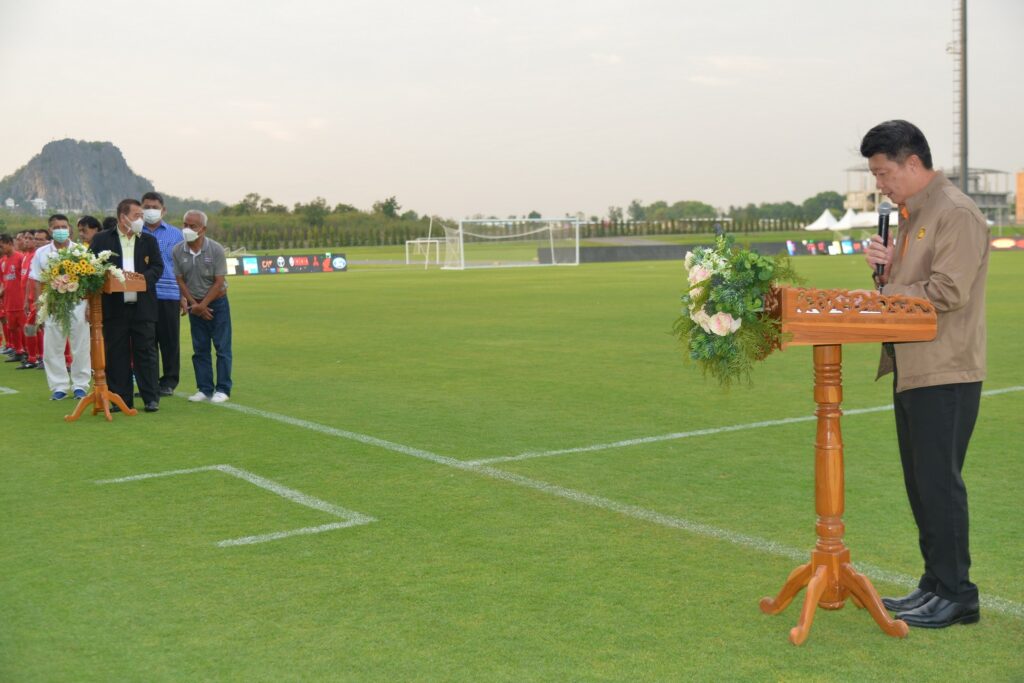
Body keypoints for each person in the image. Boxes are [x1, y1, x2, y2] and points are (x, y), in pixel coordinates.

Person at [861, 119, 988, 629]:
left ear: (912, 162)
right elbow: (915, 285)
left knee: (938, 483)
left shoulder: (954, 212)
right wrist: (888, 269)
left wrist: (887, 295)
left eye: (883, 173)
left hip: (946, 369)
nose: (880, 184)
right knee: (921, 483)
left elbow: (948, 291)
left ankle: (958, 594)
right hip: (914, 366)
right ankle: (935, 584)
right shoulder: (914, 214)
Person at [88, 198, 165, 412]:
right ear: (123, 218)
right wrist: (107, 279)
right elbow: (90, 267)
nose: (141, 219)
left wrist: (141, 280)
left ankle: (151, 398)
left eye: (141, 216)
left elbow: (158, 267)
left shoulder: (148, 240)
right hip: (114, 307)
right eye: (136, 215)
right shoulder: (102, 239)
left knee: (146, 353)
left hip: (143, 307)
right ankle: (121, 399)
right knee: (116, 354)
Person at [27, 215, 91, 400]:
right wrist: (41, 306)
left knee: (80, 345)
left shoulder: (80, 250)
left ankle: (80, 385)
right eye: (56, 227)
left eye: (64, 226)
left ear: (69, 228)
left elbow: (89, 280)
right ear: (50, 230)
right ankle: (59, 386)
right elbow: (36, 280)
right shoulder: (41, 253)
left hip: (78, 303)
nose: (61, 230)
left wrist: (88, 305)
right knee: (52, 347)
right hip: (53, 304)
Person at [172, 210, 232, 403]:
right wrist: (194, 305)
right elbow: (180, 280)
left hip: (217, 303)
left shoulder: (215, 249)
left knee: (222, 347)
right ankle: (204, 389)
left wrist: (202, 305)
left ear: (203, 229)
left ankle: (223, 389)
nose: (187, 229)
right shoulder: (177, 250)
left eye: (193, 226)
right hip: (194, 303)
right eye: (185, 225)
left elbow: (219, 281)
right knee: (200, 348)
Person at [141, 192, 184, 396]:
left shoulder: (176, 234)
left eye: (155, 207)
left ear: (163, 210)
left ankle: (169, 382)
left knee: (169, 340)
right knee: (145, 341)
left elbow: (182, 266)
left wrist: (184, 296)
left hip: (169, 293)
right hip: (142, 293)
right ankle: (149, 384)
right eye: (146, 207)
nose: (150, 210)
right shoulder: (134, 232)